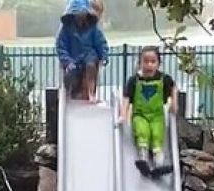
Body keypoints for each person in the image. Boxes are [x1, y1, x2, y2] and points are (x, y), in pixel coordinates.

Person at [120, 46, 178, 179]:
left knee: (157, 135)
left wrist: (174, 103)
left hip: (157, 115)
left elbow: (174, 87)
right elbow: (127, 98)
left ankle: (159, 164)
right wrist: (123, 114)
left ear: (158, 63)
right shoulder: (134, 80)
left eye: (153, 61)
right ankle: (143, 159)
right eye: (146, 61)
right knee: (142, 132)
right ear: (140, 62)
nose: (149, 65)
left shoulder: (164, 79)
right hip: (140, 115)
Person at [56, 0, 109, 102]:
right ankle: (70, 96)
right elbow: (61, 47)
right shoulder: (66, 29)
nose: (80, 16)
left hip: (89, 55)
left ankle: (91, 93)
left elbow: (101, 43)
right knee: (71, 75)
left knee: (91, 65)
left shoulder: (93, 27)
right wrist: (67, 61)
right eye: (77, 13)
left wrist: (104, 55)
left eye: (83, 13)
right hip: (73, 58)